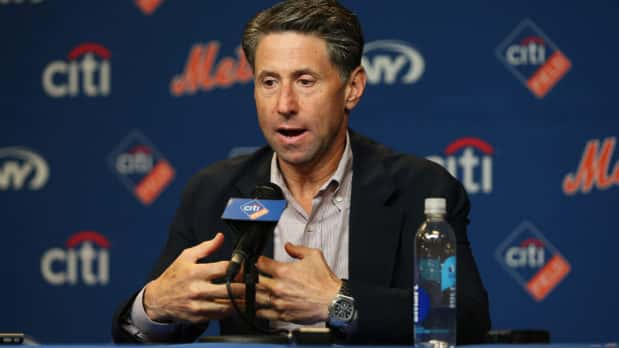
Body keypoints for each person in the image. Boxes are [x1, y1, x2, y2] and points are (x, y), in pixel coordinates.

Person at [112, 0, 490, 344]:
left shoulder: (420, 189)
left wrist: (338, 303)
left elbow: (467, 320)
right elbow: (145, 330)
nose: (284, 105)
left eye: (305, 81)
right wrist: (153, 306)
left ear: (352, 88)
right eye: (269, 82)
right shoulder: (214, 191)